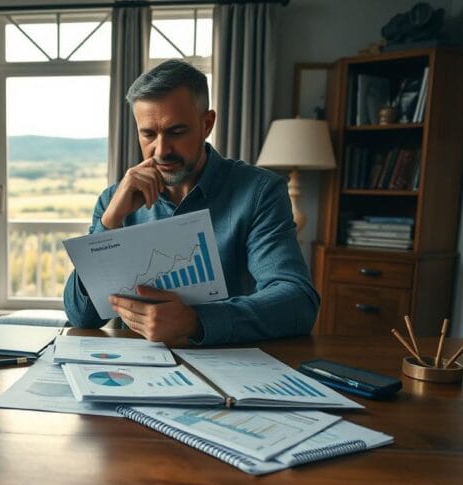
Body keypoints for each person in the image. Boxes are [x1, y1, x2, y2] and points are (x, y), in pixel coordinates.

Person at [63, 59, 319, 346]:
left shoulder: (259, 192)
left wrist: (195, 322)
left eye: (176, 132)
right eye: (148, 134)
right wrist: (108, 224)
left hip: (229, 370)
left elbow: (298, 302)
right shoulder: (113, 200)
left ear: (206, 123)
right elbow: (80, 317)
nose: (161, 150)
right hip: (135, 373)